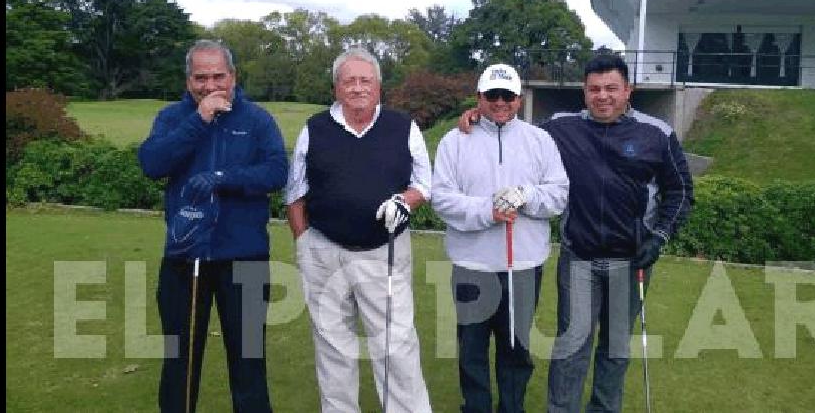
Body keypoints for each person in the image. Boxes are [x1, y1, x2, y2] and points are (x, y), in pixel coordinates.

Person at [459, 54, 694, 412]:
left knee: (615, 348)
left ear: (627, 90)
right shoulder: (560, 127)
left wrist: (659, 236)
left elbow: (680, 191)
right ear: (584, 92)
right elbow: (512, 124)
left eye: (611, 88)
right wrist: (478, 116)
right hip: (579, 257)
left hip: (631, 259)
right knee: (572, 346)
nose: (603, 96)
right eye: (595, 89)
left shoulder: (656, 133)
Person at [138, 39, 289, 413]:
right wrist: (199, 120)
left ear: (233, 76)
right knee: (180, 362)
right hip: (184, 257)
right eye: (200, 77)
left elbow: (276, 172)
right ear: (188, 80)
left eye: (218, 76)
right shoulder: (173, 117)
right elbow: (153, 164)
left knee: (249, 363)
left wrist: (224, 177)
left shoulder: (256, 120)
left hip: (245, 259)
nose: (210, 85)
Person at [285, 47, 434, 412]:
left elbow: (424, 185)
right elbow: (295, 193)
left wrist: (405, 200)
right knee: (333, 348)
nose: (357, 88)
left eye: (365, 80)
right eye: (348, 81)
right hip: (325, 250)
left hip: (383, 251)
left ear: (378, 86)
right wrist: (304, 243)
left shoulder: (403, 127)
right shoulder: (314, 128)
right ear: (336, 88)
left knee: (395, 347)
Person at [431, 64, 569, 413]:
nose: (500, 102)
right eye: (492, 95)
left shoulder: (540, 140)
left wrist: (526, 196)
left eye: (507, 95)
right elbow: (443, 199)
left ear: (519, 100)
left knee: (516, 349)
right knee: (472, 350)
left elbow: (558, 195)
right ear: (479, 98)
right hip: (471, 265)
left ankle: (512, 408)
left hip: (521, 265)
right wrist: (487, 211)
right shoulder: (455, 140)